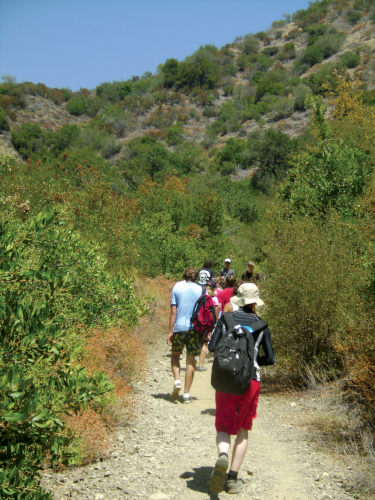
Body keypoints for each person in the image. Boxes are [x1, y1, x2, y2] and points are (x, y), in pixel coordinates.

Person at [208, 283, 275, 494]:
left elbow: (211, 347)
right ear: (255, 302)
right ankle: (232, 478)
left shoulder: (226, 319)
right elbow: (270, 359)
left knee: (223, 425)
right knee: (243, 429)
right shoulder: (261, 325)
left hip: (227, 378)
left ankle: (223, 456)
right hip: (251, 380)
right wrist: (252, 361)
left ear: (238, 300)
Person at [167, 267, 202, 404]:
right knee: (190, 360)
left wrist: (170, 331)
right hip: (194, 328)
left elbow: (173, 312)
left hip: (179, 328)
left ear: (184, 275)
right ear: (196, 277)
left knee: (175, 355)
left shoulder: (177, 287)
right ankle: (186, 394)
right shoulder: (200, 289)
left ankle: (177, 381)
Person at [196, 280, 220, 372]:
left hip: (199, 321)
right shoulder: (214, 299)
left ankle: (193, 359)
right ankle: (201, 365)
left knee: (198, 341)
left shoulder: (201, 296)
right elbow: (216, 314)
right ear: (214, 289)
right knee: (205, 343)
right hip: (208, 324)